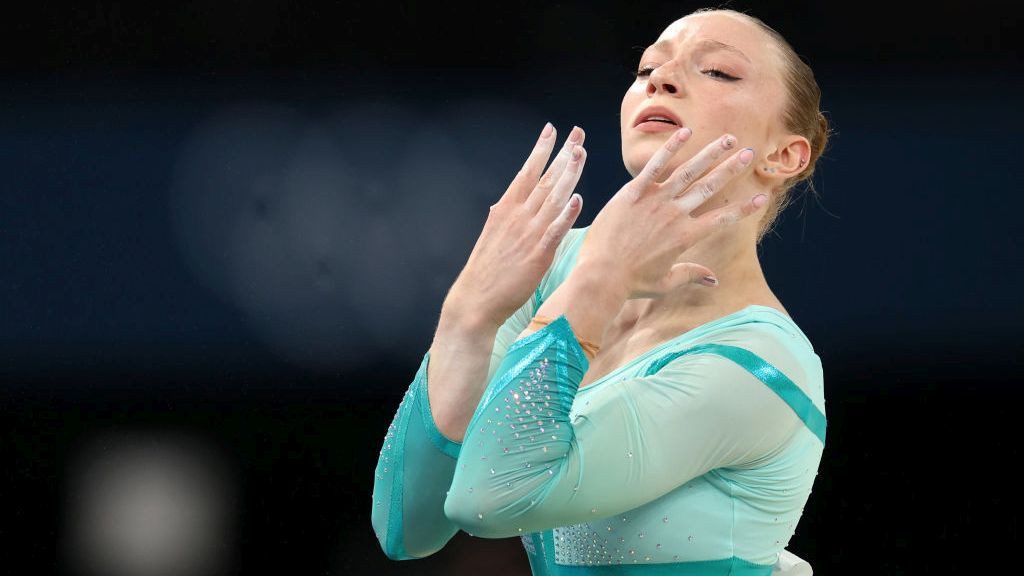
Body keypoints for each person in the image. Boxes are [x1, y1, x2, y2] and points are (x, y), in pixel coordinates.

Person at [372, 7, 830, 575]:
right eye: (646, 69)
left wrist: (599, 280)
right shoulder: (559, 267)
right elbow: (405, 526)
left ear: (785, 155)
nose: (659, 80)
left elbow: (487, 499)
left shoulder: (762, 365)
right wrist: (466, 315)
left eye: (718, 72)